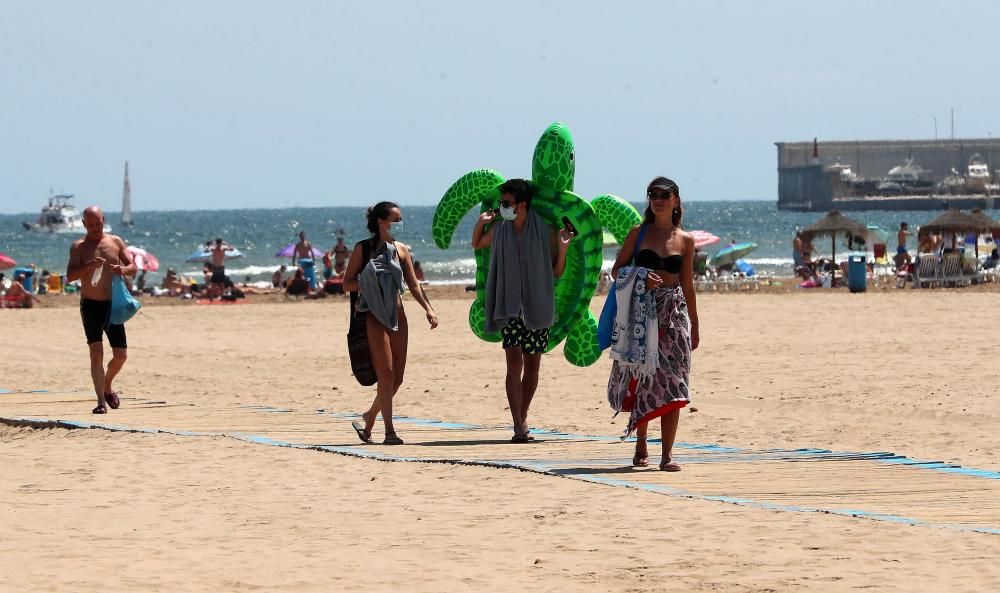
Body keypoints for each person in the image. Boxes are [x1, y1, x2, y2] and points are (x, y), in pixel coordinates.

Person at [607, 177, 699, 471]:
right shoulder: (638, 233)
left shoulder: (685, 240)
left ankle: (668, 454)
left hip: (673, 313)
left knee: (674, 381)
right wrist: (641, 277)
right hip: (640, 313)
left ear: (675, 200)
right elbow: (617, 271)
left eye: (664, 194)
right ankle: (641, 441)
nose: (657, 199)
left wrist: (695, 324)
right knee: (643, 377)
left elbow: (688, 283)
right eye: (652, 194)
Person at [471, 179, 571, 442]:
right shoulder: (501, 228)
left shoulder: (546, 231)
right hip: (510, 304)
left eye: (506, 203)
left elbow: (556, 272)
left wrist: (562, 248)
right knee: (513, 363)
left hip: (538, 304)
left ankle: (522, 416)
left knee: (533, 365)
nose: (502, 207)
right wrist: (481, 221)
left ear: (522, 205)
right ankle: (519, 423)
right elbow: (478, 243)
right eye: (502, 203)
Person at [345, 201, 438, 445]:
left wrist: (428, 309)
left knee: (397, 378)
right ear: (381, 221)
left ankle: (368, 417)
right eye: (396, 219)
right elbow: (347, 284)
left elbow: (414, 284)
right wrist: (369, 282)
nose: (400, 223)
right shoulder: (362, 249)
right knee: (385, 374)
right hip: (373, 315)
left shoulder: (401, 249)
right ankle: (389, 432)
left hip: (397, 315)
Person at [66, 206, 137, 414]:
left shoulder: (115, 242)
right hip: (90, 305)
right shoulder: (78, 247)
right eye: (91, 225)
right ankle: (100, 402)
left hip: (112, 305)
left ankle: (107, 385)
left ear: (103, 220)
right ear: (84, 224)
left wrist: (121, 270)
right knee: (96, 352)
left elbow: (133, 267)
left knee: (121, 355)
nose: (95, 228)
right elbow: (70, 275)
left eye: (98, 223)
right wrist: (88, 266)